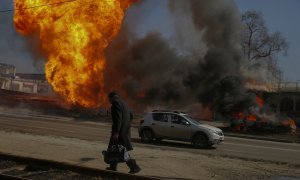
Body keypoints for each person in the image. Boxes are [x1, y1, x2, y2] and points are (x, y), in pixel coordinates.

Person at [106, 91, 141, 174]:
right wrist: (126, 125)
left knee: (121, 151)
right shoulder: (124, 104)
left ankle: (134, 167)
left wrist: (116, 132)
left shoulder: (115, 104)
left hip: (119, 133)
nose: (109, 101)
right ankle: (113, 166)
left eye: (109, 99)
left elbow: (118, 119)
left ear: (112, 98)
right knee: (113, 148)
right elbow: (131, 116)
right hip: (125, 132)